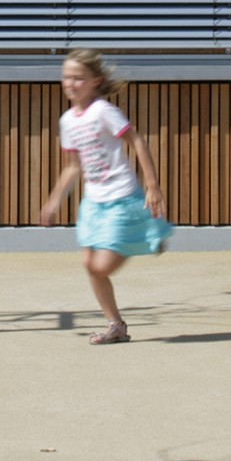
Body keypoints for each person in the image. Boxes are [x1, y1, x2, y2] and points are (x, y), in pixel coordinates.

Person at [39, 48, 172, 344]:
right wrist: (54, 200)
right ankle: (116, 326)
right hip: (94, 203)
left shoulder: (103, 111)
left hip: (122, 196)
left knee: (101, 266)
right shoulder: (67, 121)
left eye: (78, 78)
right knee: (89, 264)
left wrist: (152, 185)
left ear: (96, 81)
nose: (71, 83)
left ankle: (142, 232)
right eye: (66, 77)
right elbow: (74, 167)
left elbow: (135, 140)